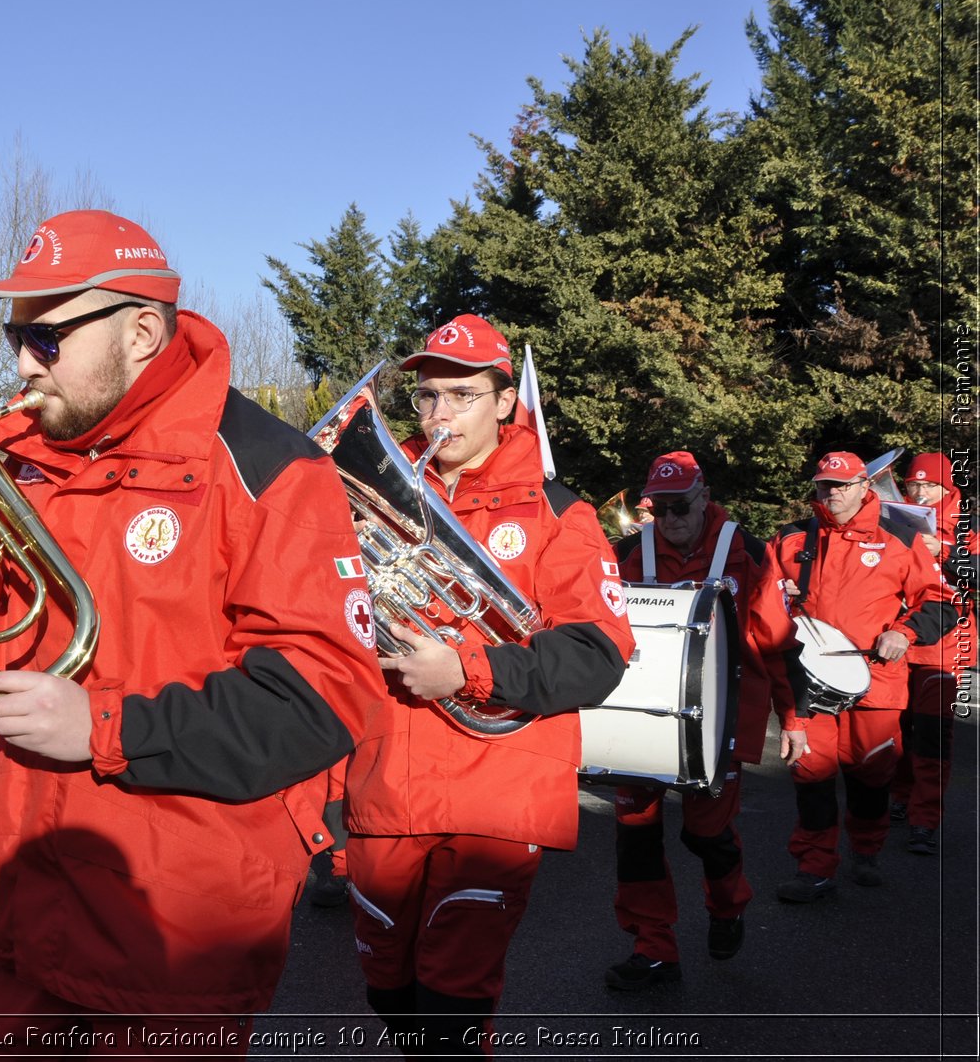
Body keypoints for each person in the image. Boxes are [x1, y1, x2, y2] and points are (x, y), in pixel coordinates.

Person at [0, 209, 385, 1055]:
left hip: (175, 936)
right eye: (15, 337)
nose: (24, 364)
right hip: (28, 902)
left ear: (140, 330)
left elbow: (322, 699)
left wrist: (102, 725)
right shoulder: (17, 447)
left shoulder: (270, 465)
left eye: (48, 339)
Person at [340, 315, 635, 1054]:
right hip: (383, 779)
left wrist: (466, 668)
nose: (440, 415)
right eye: (428, 397)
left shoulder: (558, 510)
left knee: (451, 1009)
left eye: (462, 395)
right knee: (387, 993)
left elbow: (597, 654)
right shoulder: (368, 492)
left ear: (506, 401)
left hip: (492, 794)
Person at [603, 451, 804, 990]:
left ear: (705, 496)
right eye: (660, 509)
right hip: (641, 718)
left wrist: (793, 717)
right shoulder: (627, 552)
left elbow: (777, 643)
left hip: (720, 719)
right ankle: (654, 949)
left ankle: (727, 904)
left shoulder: (748, 551)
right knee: (636, 840)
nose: (670, 519)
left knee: (705, 833)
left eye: (681, 507)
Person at [770, 452, 955, 902]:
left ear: (862, 485)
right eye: (823, 485)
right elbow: (762, 600)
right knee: (810, 772)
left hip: (877, 679)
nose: (831, 493)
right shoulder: (792, 538)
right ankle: (815, 866)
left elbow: (940, 600)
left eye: (841, 485)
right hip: (810, 680)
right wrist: (783, 596)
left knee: (871, 773)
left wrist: (904, 631)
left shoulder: (900, 536)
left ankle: (867, 849)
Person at [889, 452, 973, 855]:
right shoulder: (897, 514)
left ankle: (925, 818)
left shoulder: (967, 521)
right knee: (897, 729)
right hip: (898, 635)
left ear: (948, 487)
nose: (920, 492)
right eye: (913, 485)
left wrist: (944, 548)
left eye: (930, 486)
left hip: (944, 643)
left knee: (931, 734)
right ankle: (900, 798)